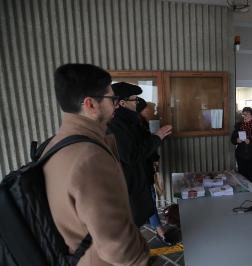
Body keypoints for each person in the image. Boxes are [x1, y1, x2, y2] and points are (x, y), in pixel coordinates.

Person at [43, 64, 149, 266]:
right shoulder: (90, 158)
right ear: (90, 104)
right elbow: (118, 246)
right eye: (112, 99)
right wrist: (141, 258)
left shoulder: (55, 144)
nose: (116, 105)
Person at [108, 82, 172, 228]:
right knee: (134, 218)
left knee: (146, 206)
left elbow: (143, 144)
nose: (137, 102)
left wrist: (157, 140)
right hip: (131, 182)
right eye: (134, 99)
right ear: (122, 103)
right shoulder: (116, 124)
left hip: (142, 176)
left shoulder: (131, 120)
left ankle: (156, 231)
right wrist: (157, 137)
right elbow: (131, 155)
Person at [135, 97, 175, 245]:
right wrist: (157, 137)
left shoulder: (142, 123)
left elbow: (149, 147)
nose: (152, 111)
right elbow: (144, 149)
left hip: (146, 168)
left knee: (149, 198)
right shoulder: (135, 126)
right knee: (150, 199)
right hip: (140, 172)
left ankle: (154, 226)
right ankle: (160, 232)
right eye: (149, 108)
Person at [231, 107, 252, 184]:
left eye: (246, 115)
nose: (244, 116)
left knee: (250, 177)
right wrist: (236, 140)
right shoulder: (239, 125)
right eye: (243, 115)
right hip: (240, 155)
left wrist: (250, 142)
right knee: (241, 176)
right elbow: (233, 139)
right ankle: (243, 193)